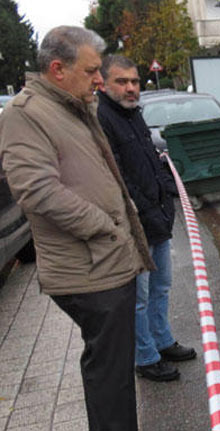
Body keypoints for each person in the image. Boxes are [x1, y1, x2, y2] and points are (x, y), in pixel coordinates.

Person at [0, 26, 153, 431]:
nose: (100, 80)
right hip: (90, 269)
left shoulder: (70, 104)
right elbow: (37, 191)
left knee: (115, 371)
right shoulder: (26, 114)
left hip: (105, 261)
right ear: (57, 69)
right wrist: (105, 227)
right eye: (91, 71)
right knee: (109, 376)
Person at [97, 55, 196, 382]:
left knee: (161, 286)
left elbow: (152, 160)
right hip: (135, 226)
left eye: (134, 81)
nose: (130, 88)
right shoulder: (103, 118)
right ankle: (145, 356)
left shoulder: (133, 115)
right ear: (104, 83)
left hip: (158, 221)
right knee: (137, 297)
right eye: (121, 81)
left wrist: (168, 190)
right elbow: (118, 178)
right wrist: (150, 211)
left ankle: (162, 339)